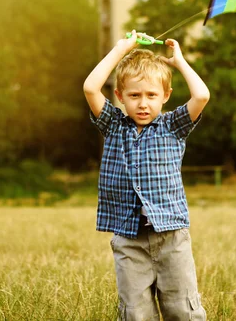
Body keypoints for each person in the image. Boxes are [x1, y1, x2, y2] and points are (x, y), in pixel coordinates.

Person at [83, 30, 210, 320]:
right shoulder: (114, 125)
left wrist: (179, 62)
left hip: (171, 237)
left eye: (151, 95)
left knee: (183, 310)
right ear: (120, 96)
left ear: (165, 96)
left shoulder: (173, 126)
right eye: (134, 95)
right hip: (129, 240)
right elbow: (91, 88)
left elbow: (201, 95)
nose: (143, 103)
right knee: (136, 313)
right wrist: (120, 49)